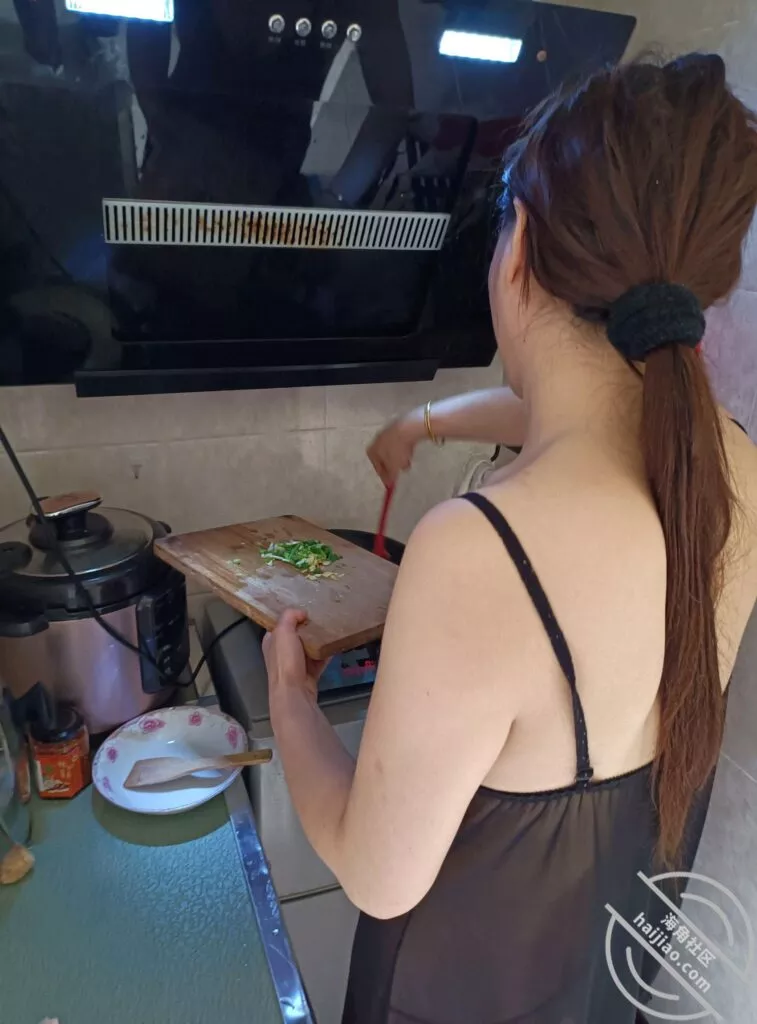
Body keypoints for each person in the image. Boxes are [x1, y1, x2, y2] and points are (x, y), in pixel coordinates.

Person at [261, 54, 757, 1023]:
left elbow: (376, 873)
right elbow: (587, 413)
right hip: (600, 994)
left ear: (517, 243)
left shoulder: (480, 550)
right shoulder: (730, 466)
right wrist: (426, 422)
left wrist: (288, 698)